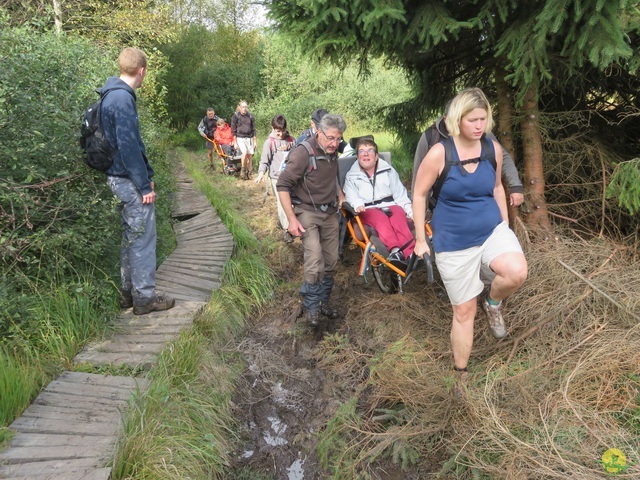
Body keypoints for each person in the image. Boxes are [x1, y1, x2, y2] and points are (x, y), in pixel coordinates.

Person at [412, 87, 527, 394]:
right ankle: (460, 374)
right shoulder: (440, 153)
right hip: (453, 241)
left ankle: (493, 303)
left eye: (483, 118)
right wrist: (420, 239)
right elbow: (420, 193)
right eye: (472, 120)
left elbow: (497, 188)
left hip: (491, 229)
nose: (479, 125)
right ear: (457, 120)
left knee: (516, 270)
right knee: (464, 313)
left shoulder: (492, 148)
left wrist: (504, 226)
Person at [101, 47, 175, 315]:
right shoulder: (122, 99)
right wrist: (144, 185)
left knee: (131, 235)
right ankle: (144, 298)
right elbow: (129, 146)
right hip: (127, 179)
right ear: (141, 71)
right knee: (143, 237)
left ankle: (128, 293)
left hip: (117, 177)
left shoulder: (110, 94)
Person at [276, 114, 347, 326]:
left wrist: (340, 192)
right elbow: (282, 185)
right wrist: (291, 219)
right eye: (331, 138)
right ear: (319, 133)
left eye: (339, 139)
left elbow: (331, 175)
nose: (335, 143)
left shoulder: (332, 152)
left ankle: (323, 301)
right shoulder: (302, 153)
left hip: (329, 212)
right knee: (315, 259)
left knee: (331, 261)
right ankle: (312, 306)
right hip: (306, 211)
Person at [412, 111, 524, 208]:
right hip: (443, 203)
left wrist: (515, 185)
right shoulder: (431, 137)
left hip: (481, 199)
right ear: (445, 119)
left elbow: (502, 157)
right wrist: (418, 209)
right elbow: (418, 175)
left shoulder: (479, 132)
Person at [343, 136, 415, 262]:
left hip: (390, 204)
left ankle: (411, 252)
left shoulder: (388, 171)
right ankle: (395, 250)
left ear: (376, 156)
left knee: (399, 217)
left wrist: (410, 212)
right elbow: (350, 195)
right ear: (357, 156)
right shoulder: (351, 176)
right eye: (361, 151)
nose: (366, 154)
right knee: (380, 219)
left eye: (370, 150)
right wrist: (357, 204)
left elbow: (400, 194)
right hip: (367, 208)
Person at [255, 114, 295, 242]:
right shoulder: (269, 142)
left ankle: (281, 221)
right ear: (273, 128)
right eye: (278, 131)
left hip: (290, 177)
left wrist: (289, 146)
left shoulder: (291, 140)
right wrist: (261, 173)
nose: (280, 134)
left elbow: (298, 151)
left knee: (292, 202)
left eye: (283, 131)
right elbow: (264, 161)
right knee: (282, 202)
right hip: (276, 178)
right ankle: (287, 230)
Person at [231, 100, 257, 180]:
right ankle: (243, 170)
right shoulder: (235, 116)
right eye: (243, 107)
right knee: (244, 153)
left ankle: (249, 171)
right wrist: (235, 142)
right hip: (240, 137)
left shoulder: (250, 116)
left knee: (250, 155)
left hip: (249, 137)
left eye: (245, 107)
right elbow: (233, 130)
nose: (244, 109)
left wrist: (255, 141)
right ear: (239, 107)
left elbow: (254, 129)